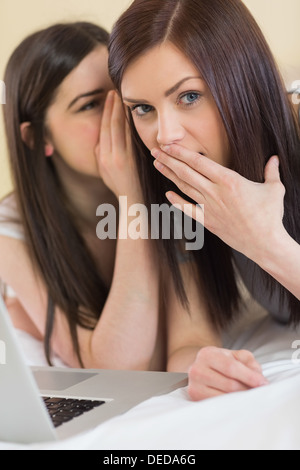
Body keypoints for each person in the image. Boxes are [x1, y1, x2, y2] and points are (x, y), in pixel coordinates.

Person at [108, 0, 300, 400]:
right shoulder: (180, 184)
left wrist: (266, 242)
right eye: (143, 109)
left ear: (243, 80)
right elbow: (189, 337)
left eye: (189, 96)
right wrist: (203, 365)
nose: (165, 135)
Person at [0, 22, 163, 370]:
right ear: (37, 138)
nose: (120, 114)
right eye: (90, 104)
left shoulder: (166, 171)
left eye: (121, 95)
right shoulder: (10, 229)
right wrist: (132, 197)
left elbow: (171, 346)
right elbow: (118, 366)